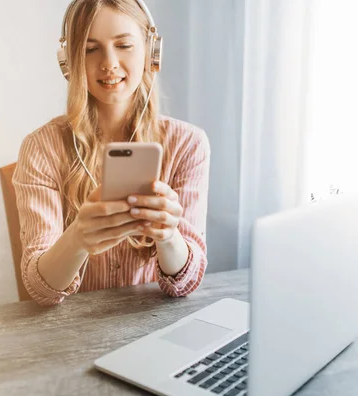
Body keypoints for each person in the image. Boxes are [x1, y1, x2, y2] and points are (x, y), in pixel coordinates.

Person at [12, 0, 210, 306]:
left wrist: (168, 236)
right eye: (91, 49)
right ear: (70, 61)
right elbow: (41, 291)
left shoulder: (188, 144)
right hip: (72, 335)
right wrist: (77, 238)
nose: (109, 63)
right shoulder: (41, 148)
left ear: (151, 52)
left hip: (149, 325)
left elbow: (184, 284)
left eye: (124, 45)